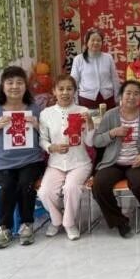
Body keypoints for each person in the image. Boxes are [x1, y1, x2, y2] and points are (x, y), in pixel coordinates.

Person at [0, 66, 45, 249]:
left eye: (19, 82)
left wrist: (37, 126)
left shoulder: (34, 108)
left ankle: (27, 224)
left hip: (30, 160)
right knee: (7, 184)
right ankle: (4, 228)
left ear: (25, 86)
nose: (15, 86)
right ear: (3, 86)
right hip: (1, 162)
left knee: (26, 183)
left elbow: (49, 137)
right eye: (10, 82)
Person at [91, 81, 140, 238]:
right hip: (113, 162)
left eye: (136, 93)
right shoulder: (110, 115)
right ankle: (119, 221)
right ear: (121, 95)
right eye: (128, 93)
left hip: (137, 161)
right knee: (99, 185)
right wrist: (112, 133)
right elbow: (97, 141)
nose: (131, 97)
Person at [37, 75, 94, 241]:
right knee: (45, 192)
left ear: (75, 91)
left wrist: (90, 124)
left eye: (69, 89)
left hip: (79, 162)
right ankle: (56, 220)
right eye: (61, 89)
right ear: (54, 91)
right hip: (55, 163)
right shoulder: (46, 113)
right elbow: (42, 139)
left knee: (71, 188)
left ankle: (69, 223)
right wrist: (51, 147)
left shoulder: (83, 111)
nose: (65, 92)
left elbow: (90, 142)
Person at [70, 29, 120, 110]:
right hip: (86, 100)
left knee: (108, 118)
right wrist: (75, 100)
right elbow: (74, 81)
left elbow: (115, 79)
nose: (96, 43)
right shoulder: (79, 59)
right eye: (93, 40)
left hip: (108, 99)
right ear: (87, 42)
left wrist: (117, 98)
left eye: (98, 40)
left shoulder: (108, 58)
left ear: (102, 43)